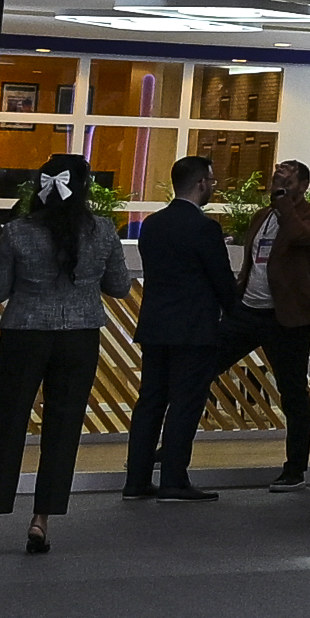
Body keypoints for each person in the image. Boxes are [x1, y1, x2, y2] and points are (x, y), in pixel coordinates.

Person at [0, 156, 131, 550]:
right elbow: (119, 287)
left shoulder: (17, 231)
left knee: (7, 422)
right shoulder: (103, 231)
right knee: (63, 427)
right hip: (79, 338)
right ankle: (41, 521)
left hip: (24, 335)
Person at [124, 157, 237, 503]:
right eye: (212, 182)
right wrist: (235, 312)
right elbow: (220, 279)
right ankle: (174, 479)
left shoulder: (152, 224)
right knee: (185, 403)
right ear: (201, 183)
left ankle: (136, 481)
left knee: (150, 403)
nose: (213, 187)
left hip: (156, 324)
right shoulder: (206, 228)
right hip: (194, 328)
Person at [213, 161, 310, 490]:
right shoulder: (261, 217)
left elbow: (299, 236)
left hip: (289, 318)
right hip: (248, 311)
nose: (278, 186)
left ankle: (295, 468)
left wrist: (284, 204)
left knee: (292, 391)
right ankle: (173, 452)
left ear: (304, 185)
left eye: (287, 182)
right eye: (275, 180)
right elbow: (253, 261)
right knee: (202, 368)